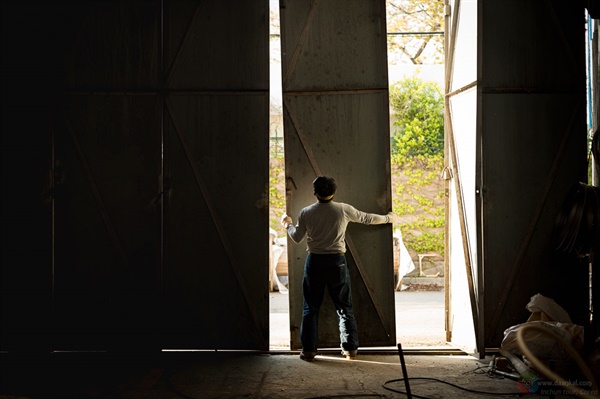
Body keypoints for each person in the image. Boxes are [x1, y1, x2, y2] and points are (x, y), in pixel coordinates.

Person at [281, 176, 395, 362]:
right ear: (334, 192)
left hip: (315, 262)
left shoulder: (306, 212)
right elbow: (367, 218)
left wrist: (287, 224)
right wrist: (389, 218)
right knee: (343, 307)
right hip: (337, 262)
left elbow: (296, 237)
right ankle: (350, 350)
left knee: (310, 308)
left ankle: (308, 351)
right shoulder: (343, 209)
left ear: (315, 192)